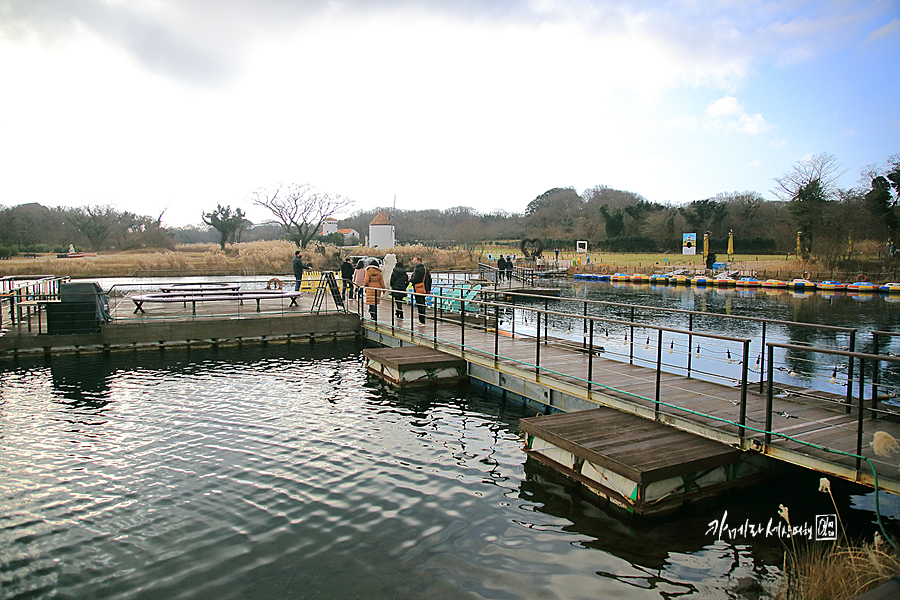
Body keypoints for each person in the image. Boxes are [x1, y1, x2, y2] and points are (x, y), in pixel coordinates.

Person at [410, 256, 432, 326]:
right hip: (424, 288)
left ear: (419, 261)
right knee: (422, 303)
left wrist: (410, 279)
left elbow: (415, 279)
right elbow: (429, 280)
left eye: (415, 261)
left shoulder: (417, 270)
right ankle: (422, 319)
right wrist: (428, 289)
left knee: (419, 304)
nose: (414, 262)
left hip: (418, 289)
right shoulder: (425, 269)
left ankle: (421, 320)